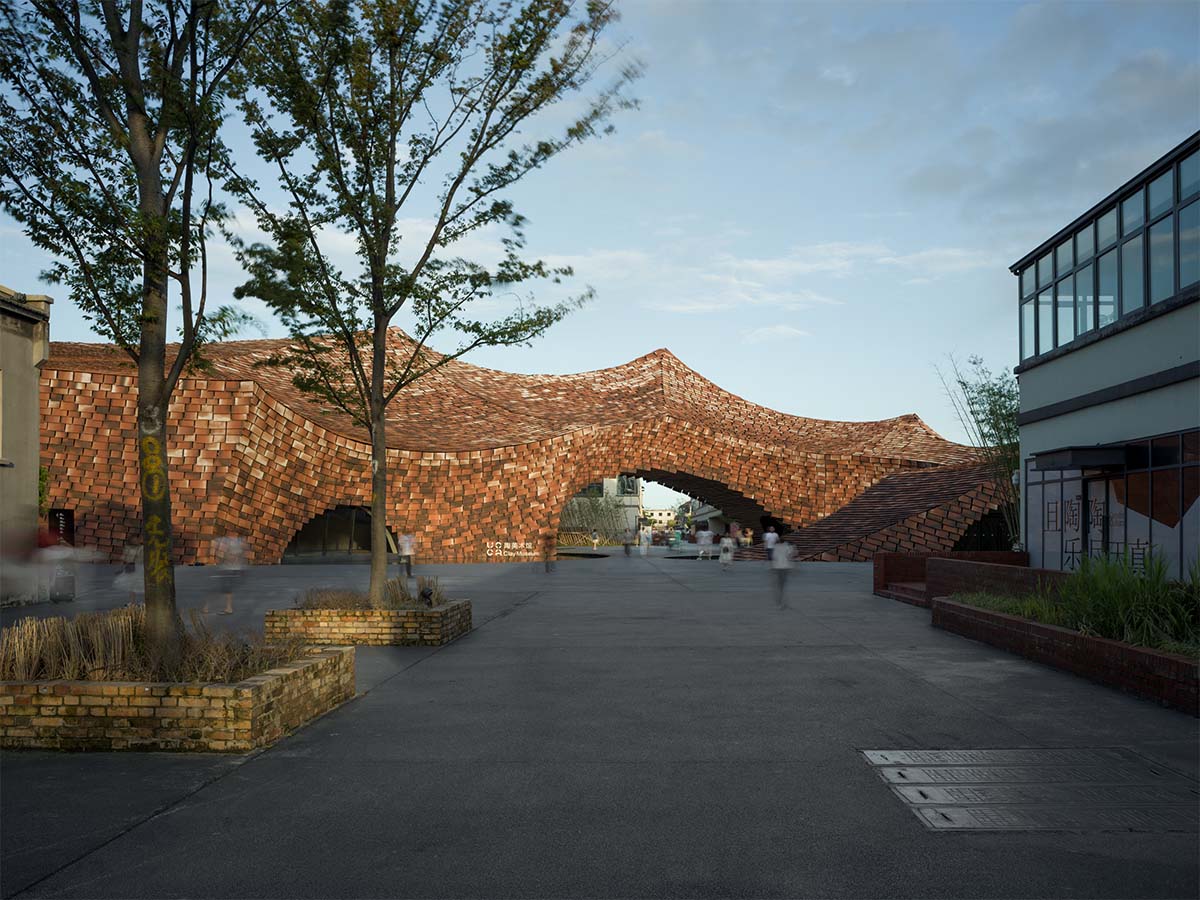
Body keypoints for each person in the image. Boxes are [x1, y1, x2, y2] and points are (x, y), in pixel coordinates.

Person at [206, 534, 245, 615]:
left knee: (223, 589)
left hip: (230, 569)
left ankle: (226, 608)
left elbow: (233, 557)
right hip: (227, 569)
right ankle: (227, 608)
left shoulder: (234, 542)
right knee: (225, 590)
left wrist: (223, 556)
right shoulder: (225, 541)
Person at [771, 540, 796, 609]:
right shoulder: (787, 547)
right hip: (785, 567)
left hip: (778, 567)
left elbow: (774, 557)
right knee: (783, 585)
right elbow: (790, 555)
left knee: (779, 585)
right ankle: (782, 603)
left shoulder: (775, 547)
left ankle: (780, 603)